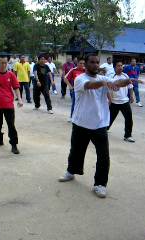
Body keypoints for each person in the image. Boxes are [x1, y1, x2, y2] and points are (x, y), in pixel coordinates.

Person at [58, 53, 132, 198]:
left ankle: (100, 184)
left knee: (103, 156)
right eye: (92, 62)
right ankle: (71, 172)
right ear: (85, 64)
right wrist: (104, 83)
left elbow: (117, 84)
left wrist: (127, 81)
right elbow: (90, 86)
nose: (96, 65)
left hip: (100, 124)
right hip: (81, 123)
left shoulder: (104, 78)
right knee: (76, 151)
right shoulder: (80, 79)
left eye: (97, 62)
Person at [0, 57, 23, 154]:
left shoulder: (11, 75)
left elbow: (16, 88)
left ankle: (14, 145)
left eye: (5, 63)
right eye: (2, 63)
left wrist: (19, 99)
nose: (3, 65)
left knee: (11, 125)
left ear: (7, 63)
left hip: (8, 105)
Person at [108, 61, 135, 143]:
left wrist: (131, 96)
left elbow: (130, 86)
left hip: (124, 102)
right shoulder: (111, 76)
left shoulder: (125, 75)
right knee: (109, 118)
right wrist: (109, 100)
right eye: (118, 66)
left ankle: (128, 136)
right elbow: (107, 90)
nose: (120, 67)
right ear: (115, 67)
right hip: (114, 102)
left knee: (129, 119)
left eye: (121, 66)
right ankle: (104, 130)